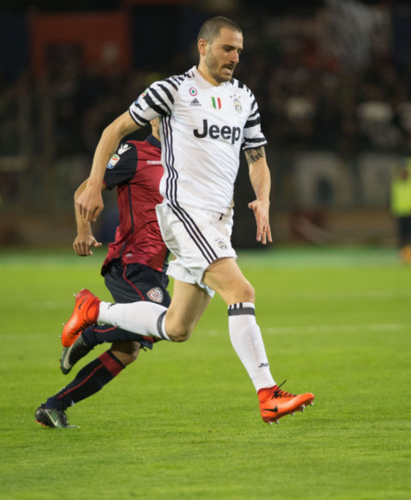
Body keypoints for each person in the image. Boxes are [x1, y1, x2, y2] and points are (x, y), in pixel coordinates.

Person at [70, 16, 314, 425]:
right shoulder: (173, 90)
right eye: (227, 48)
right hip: (184, 213)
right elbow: (114, 129)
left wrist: (264, 199)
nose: (235, 57)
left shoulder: (244, 98)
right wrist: (95, 184)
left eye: (239, 50)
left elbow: (257, 157)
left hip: (219, 220)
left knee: (178, 326)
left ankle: (95, 311)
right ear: (203, 47)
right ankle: (267, 394)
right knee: (241, 290)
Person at [35, 119, 168, 429]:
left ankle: (53, 406)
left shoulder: (181, 159)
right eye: (165, 111)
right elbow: (85, 189)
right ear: (152, 118)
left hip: (157, 268)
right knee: (162, 322)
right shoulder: (134, 152)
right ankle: (91, 325)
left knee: (127, 350)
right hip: (131, 263)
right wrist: (83, 231)